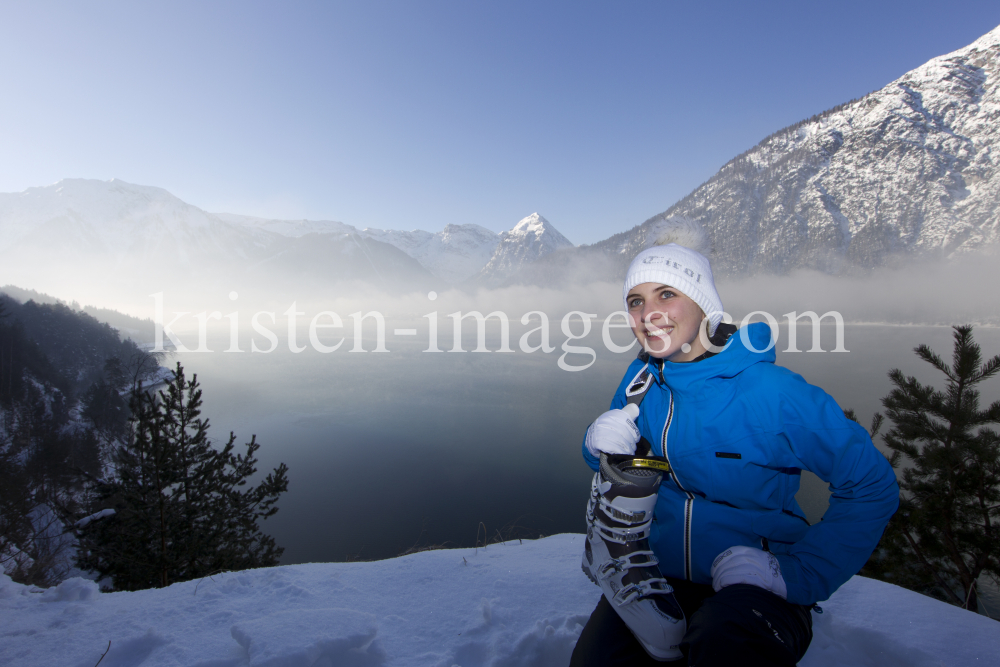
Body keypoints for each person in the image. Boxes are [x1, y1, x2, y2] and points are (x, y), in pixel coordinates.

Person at [570, 240, 899, 666]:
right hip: (655, 579)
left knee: (722, 646)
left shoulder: (772, 393)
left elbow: (873, 486)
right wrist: (595, 443)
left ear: (704, 304)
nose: (648, 314)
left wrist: (794, 574)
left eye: (666, 294)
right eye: (636, 300)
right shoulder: (641, 378)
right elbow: (620, 458)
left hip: (759, 588)